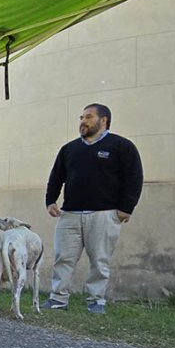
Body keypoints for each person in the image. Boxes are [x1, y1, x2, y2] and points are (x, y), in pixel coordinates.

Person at [43, 103, 143, 314]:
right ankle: (57, 299)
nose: (83, 121)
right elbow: (56, 176)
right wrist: (51, 200)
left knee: (99, 260)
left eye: (88, 117)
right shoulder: (69, 149)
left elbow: (134, 178)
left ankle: (96, 301)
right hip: (69, 214)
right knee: (63, 258)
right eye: (81, 117)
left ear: (103, 120)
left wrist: (127, 208)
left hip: (104, 215)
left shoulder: (121, 146)